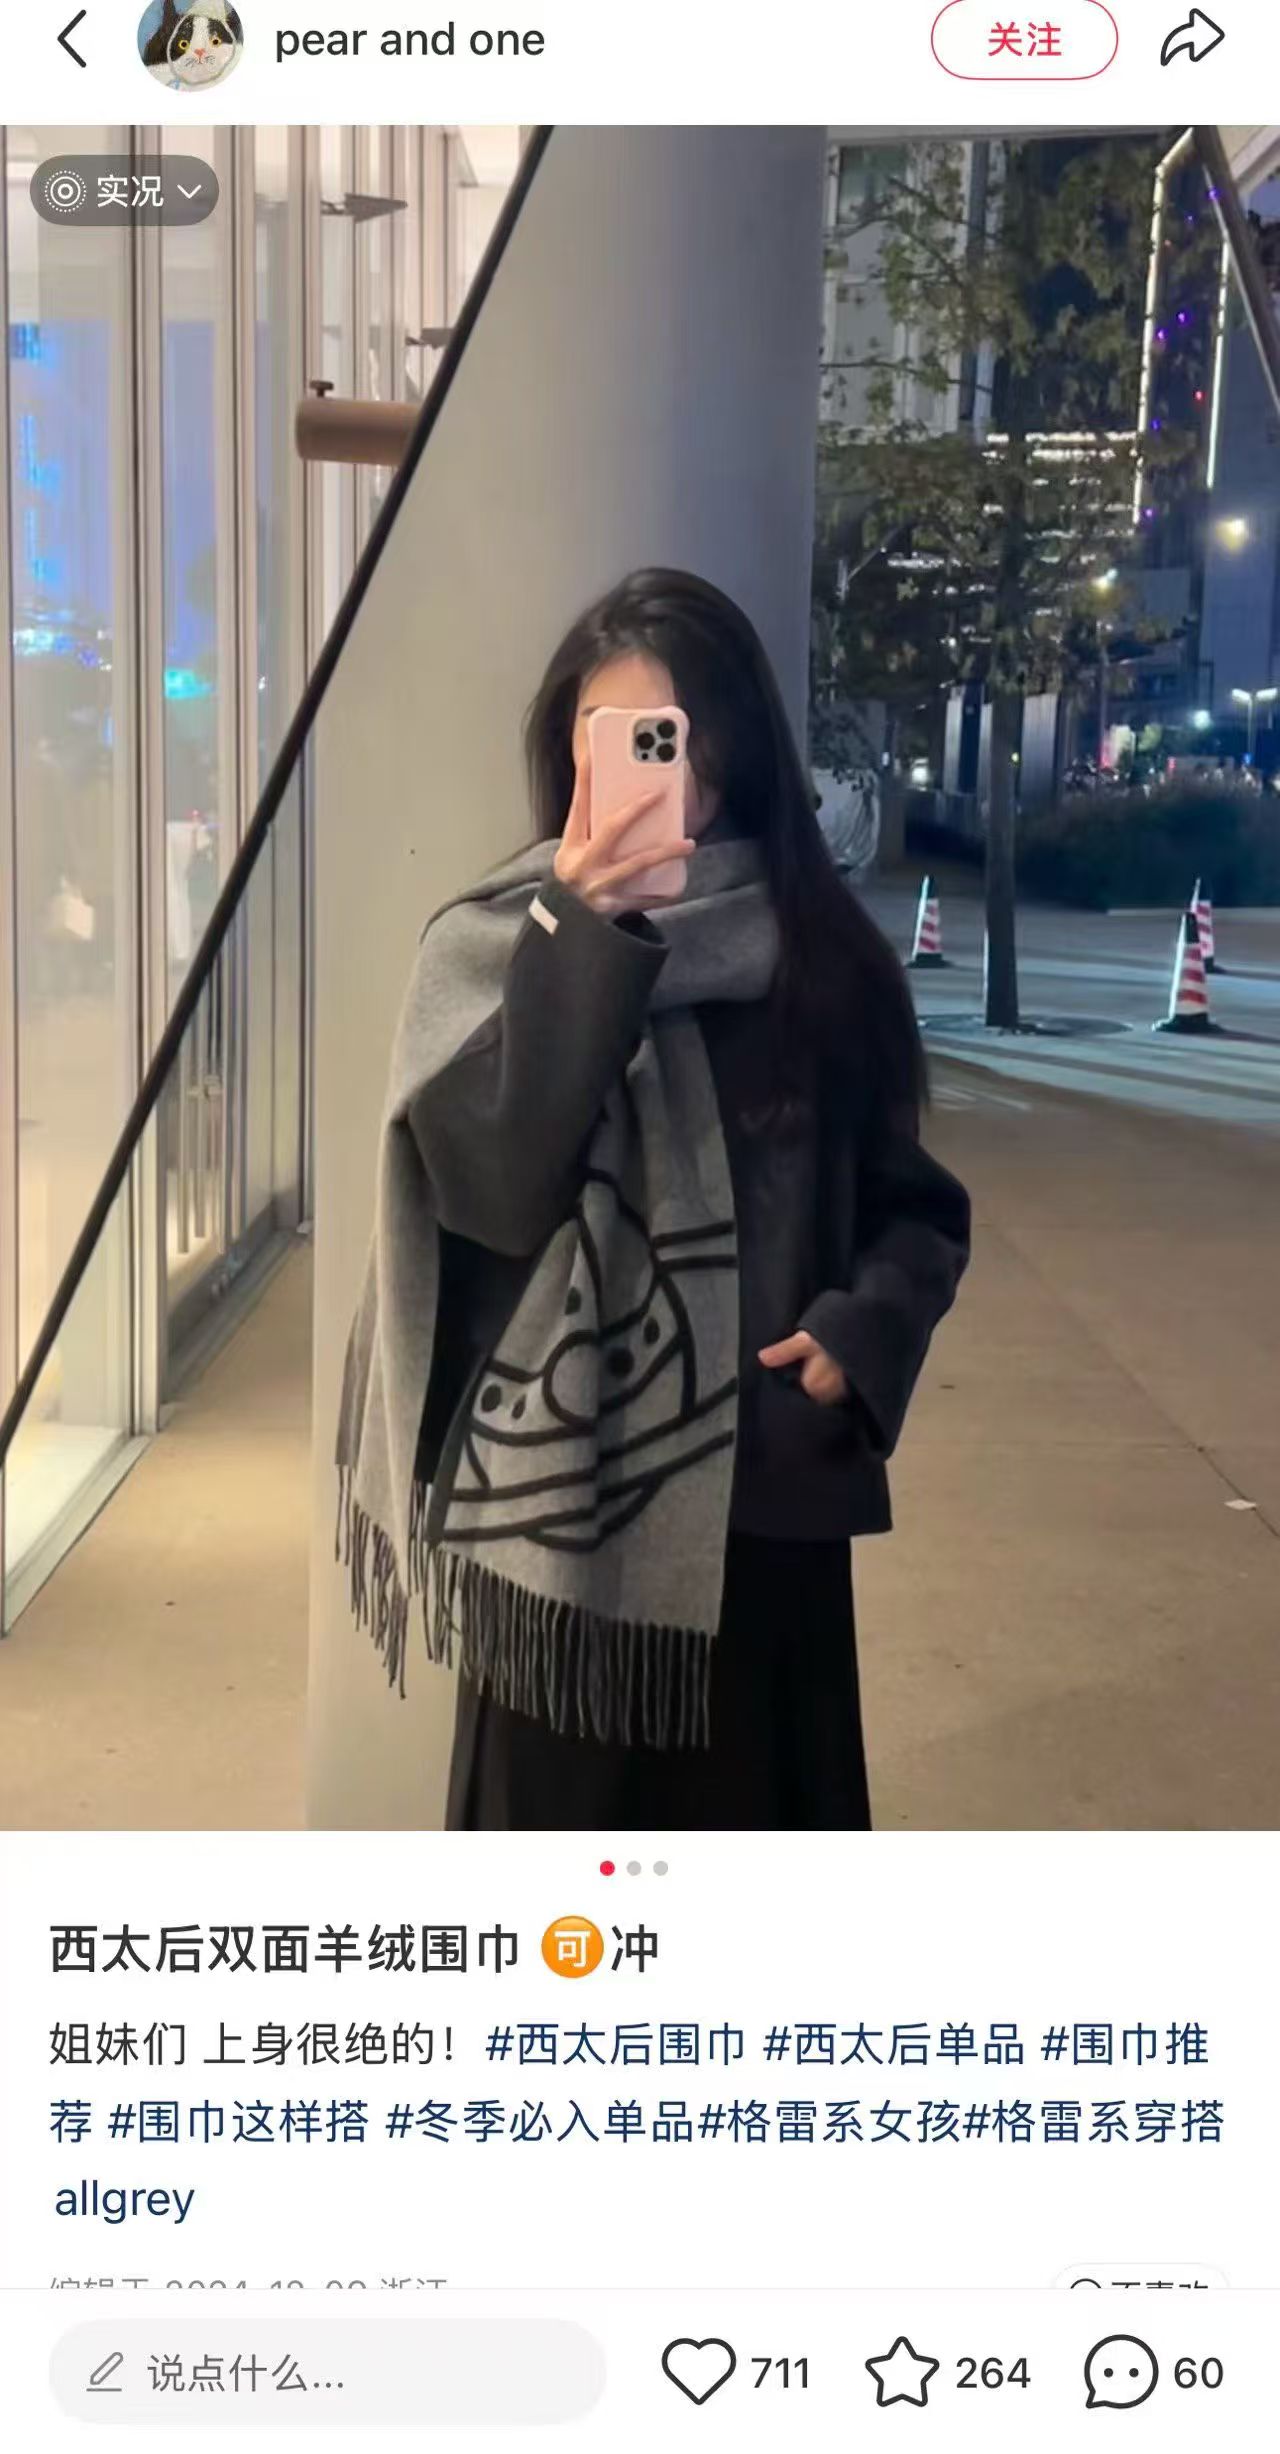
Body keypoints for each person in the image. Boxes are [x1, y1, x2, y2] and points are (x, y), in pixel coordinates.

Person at [337, 568, 970, 1831]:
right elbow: (490, 1194)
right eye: (611, 738)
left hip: (760, 1510)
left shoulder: (820, 962)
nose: (649, 773)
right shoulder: (491, 950)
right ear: (568, 755)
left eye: (672, 738)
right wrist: (581, 941)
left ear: (732, 753)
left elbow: (913, 1208)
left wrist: (860, 1336)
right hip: (553, 1538)